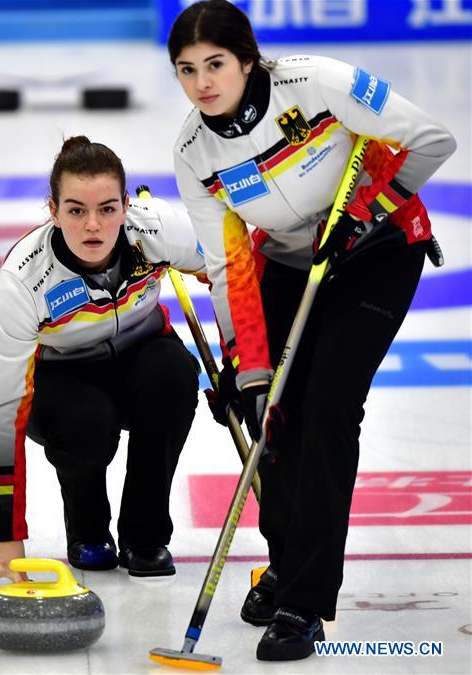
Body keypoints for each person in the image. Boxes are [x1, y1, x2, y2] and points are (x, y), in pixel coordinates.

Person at [167, 0, 456, 662]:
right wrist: (252, 371)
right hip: (292, 263)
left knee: (329, 408)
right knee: (273, 415)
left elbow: (433, 139)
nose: (202, 82)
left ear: (247, 60)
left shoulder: (317, 83)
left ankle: (304, 600)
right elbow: (228, 266)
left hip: (379, 247)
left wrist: (366, 211)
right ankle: (290, 559)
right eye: (186, 70)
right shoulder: (195, 153)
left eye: (216, 64)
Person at [0, 137, 206, 596]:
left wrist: (250, 363)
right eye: (75, 211)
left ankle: (146, 535)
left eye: (108, 209)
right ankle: (88, 529)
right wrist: (6, 537)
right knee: (86, 421)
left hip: (144, 358)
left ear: (126, 205)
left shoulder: (157, 231)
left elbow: (231, 271)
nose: (93, 225)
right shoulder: (24, 279)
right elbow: (5, 413)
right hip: (63, 378)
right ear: (51, 210)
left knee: (174, 375)